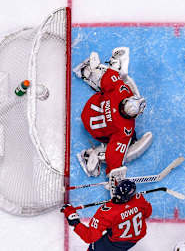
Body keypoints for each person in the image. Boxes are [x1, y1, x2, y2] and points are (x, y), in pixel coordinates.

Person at [74, 47, 152, 191]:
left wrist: (114, 67)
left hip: (89, 110)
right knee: (127, 142)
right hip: (96, 132)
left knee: (105, 83)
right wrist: (113, 176)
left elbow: (110, 77)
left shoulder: (120, 91)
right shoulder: (126, 129)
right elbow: (115, 155)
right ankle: (93, 155)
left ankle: (87, 71)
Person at [61, 180, 152, 251]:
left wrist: (75, 222)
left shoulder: (106, 212)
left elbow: (89, 237)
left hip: (116, 243)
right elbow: (148, 213)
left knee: (94, 247)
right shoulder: (139, 198)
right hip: (137, 236)